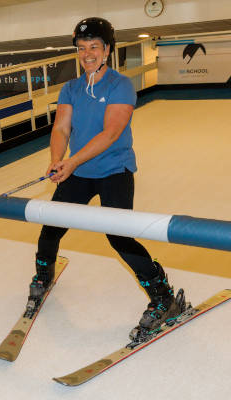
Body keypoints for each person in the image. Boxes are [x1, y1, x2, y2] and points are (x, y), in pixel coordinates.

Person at [29, 17, 184, 337]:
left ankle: (163, 298)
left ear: (107, 50)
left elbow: (112, 132)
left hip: (114, 170)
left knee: (119, 235)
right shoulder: (71, 88)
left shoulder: (119, 85)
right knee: (51, 226)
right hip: (79, 171)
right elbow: (61, 127)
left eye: (94, 47)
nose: (88, 53)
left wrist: (71, 161)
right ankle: (43, 277)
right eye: (82, 48)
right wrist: (58, 160)